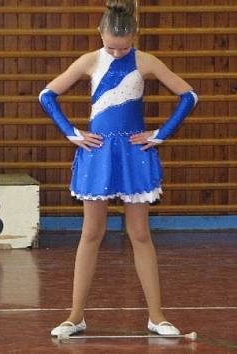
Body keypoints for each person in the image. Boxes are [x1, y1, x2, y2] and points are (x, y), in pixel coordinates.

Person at [39, 0, 197, 338]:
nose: (116, 51)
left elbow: (189, 96)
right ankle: (75, 316)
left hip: (134, 153)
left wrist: (161, 134)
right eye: (111, 45)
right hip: (98, 152)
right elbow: (47, 95)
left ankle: (157, 316)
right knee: (91, 234)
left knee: (140, 234)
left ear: (134, 36)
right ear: (100, 33)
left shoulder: (146, 61)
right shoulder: (89, 61)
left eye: (122, 46)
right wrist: (71, 132)